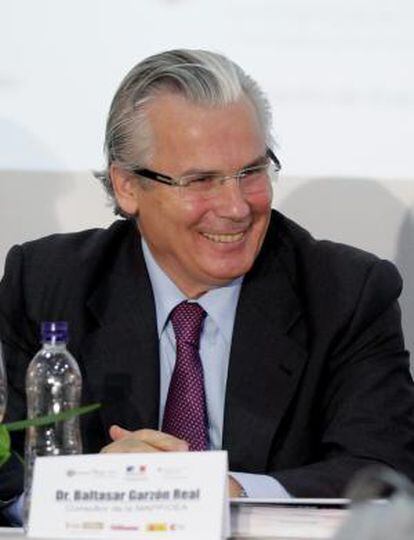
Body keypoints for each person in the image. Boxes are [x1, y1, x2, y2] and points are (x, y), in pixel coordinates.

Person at [1, 49, 414, 520]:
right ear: (127, 186)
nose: (236, 207)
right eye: (201, 180)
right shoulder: (46, 282)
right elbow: (7, 472)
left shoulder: (346, 292)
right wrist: (91, 488)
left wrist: (221, 492)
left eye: (251, 172)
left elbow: (383, 473)